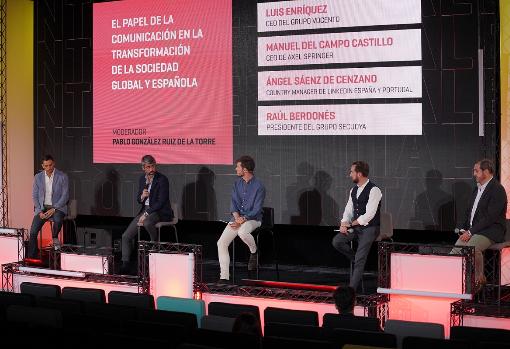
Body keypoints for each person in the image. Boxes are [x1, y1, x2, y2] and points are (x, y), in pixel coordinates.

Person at [451, 159, 507, 292]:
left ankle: (478, 280)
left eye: (476, 171)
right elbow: (470, 212)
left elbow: (490, 218)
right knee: (454, 253)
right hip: (475, 230)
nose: (474, 174)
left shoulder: (497, 189)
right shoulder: (477, 189)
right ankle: (454, 284)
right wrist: (465, 229)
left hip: (490, 231)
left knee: (471, 248)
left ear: (486, 172)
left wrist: (470, 232)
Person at [332, 161, 382, 291]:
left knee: (360, 259)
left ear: (359, 174)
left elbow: (369, 214)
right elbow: (349, 209)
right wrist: (344, 223)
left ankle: (351, 292)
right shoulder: (353, 190)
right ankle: (356, 259)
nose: (350, 174)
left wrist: (351, 224)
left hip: (371, 228)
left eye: (352, 172)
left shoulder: (374, 190)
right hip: (357, 227)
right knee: (337, 241)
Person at [121, 155, 173, 273]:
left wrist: (147, 213)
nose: (151, 170)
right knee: (125, 236)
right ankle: (125, 264)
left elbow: (161, 201)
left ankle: (154, 243)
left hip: (159, 211)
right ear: (143, 168)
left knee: (147, 222)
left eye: (153, 166)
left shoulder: (162, 179)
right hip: (145, 210)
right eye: (148, 167)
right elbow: (139, 200)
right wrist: (142, 196)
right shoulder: (142, 179)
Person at [217, 155, 266, 282]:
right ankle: (224, 277)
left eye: (238, 166)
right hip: (238, 219)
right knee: (221, 243)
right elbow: (233, 203)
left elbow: (256, 210)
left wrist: (243, 219)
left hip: (253, 219)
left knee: (242, 232)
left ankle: (254, 252)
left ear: (245, 169)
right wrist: (237, 218)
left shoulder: (259, 186)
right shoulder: (236, 184)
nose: (235, 169)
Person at [27, 155, 69, 259]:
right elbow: (35, 195)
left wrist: (54, 208)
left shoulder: (62, 176)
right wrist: (40, 210)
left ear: (53, 163)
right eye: (46, 166)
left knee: (58, 219)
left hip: (58, 207)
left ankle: (54, 237)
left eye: (50, 165)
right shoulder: (38, 177)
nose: (49, 167)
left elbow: (65, 196)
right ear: (43, 166)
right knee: (32, 232)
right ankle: (32, 257)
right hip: (42, 208)